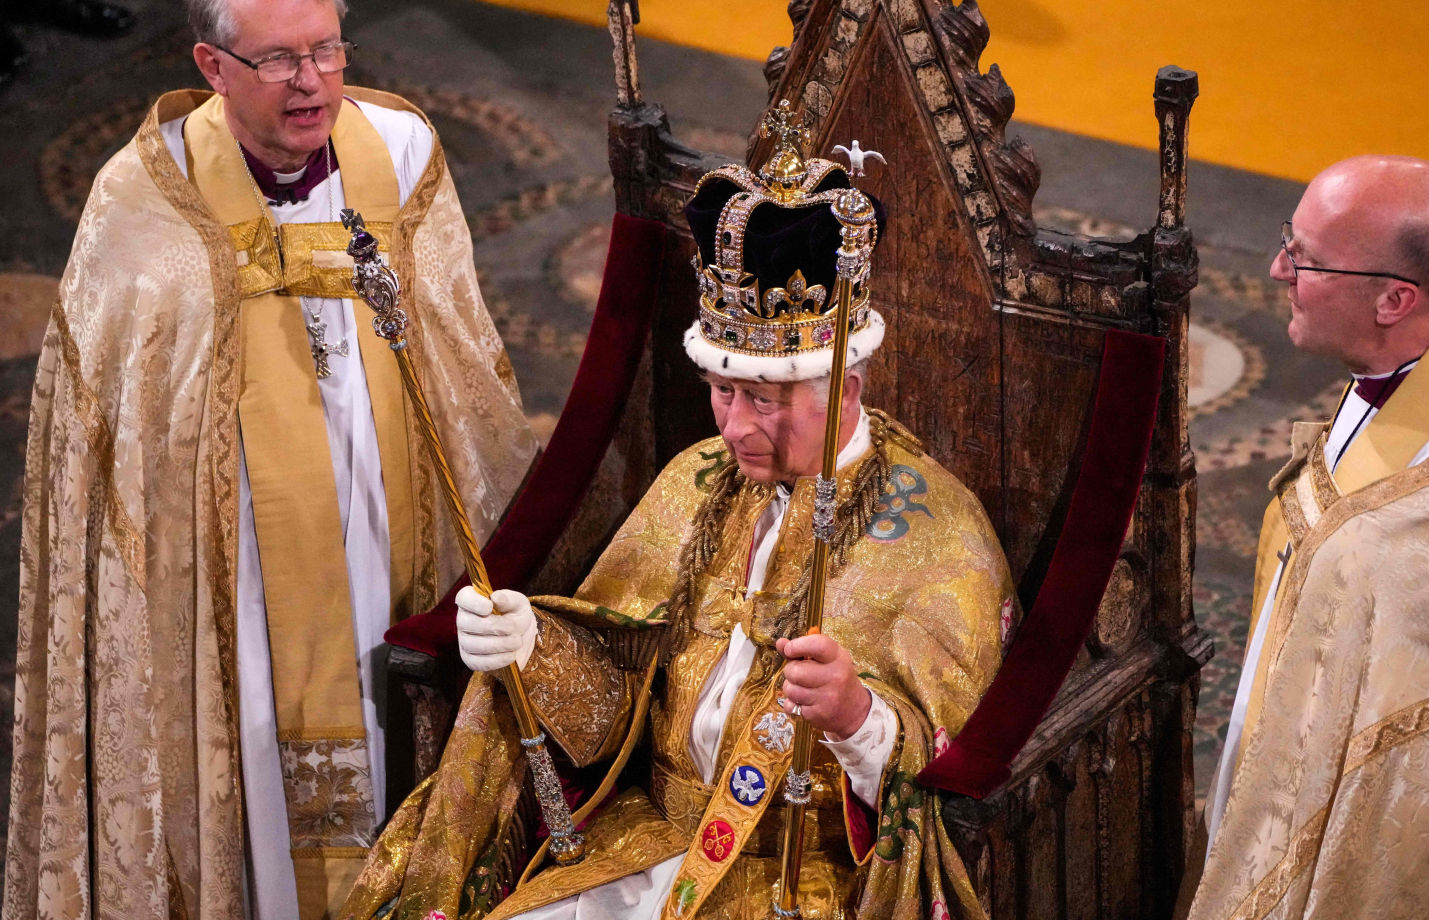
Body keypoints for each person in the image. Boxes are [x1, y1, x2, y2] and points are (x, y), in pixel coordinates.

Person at [340, 115, 1019, 920]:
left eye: (764, 401)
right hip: (646, 841)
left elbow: (952, 786)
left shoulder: (940, 533)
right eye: (723, 392)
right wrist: (533, 648)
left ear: (844, 388)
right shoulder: (695, 480)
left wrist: (857, 719)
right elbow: (616, 711)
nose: (734, 428)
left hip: (799, 879)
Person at [4, 0, 537, 920]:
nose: (313, 81)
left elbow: (461, 351)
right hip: (235, 555)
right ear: (213, 67)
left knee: (396, 728)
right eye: (280, 59)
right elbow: (112, 423)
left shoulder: (401, 150)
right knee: (254, 761)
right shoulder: (146, 195)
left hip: (386, 514)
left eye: (327, 49)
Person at [1186, 156, 1429, 920]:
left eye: (1305, 258)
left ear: (1394, 299)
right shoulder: (1403, 368)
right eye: (1286, 241)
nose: (1276, 270)